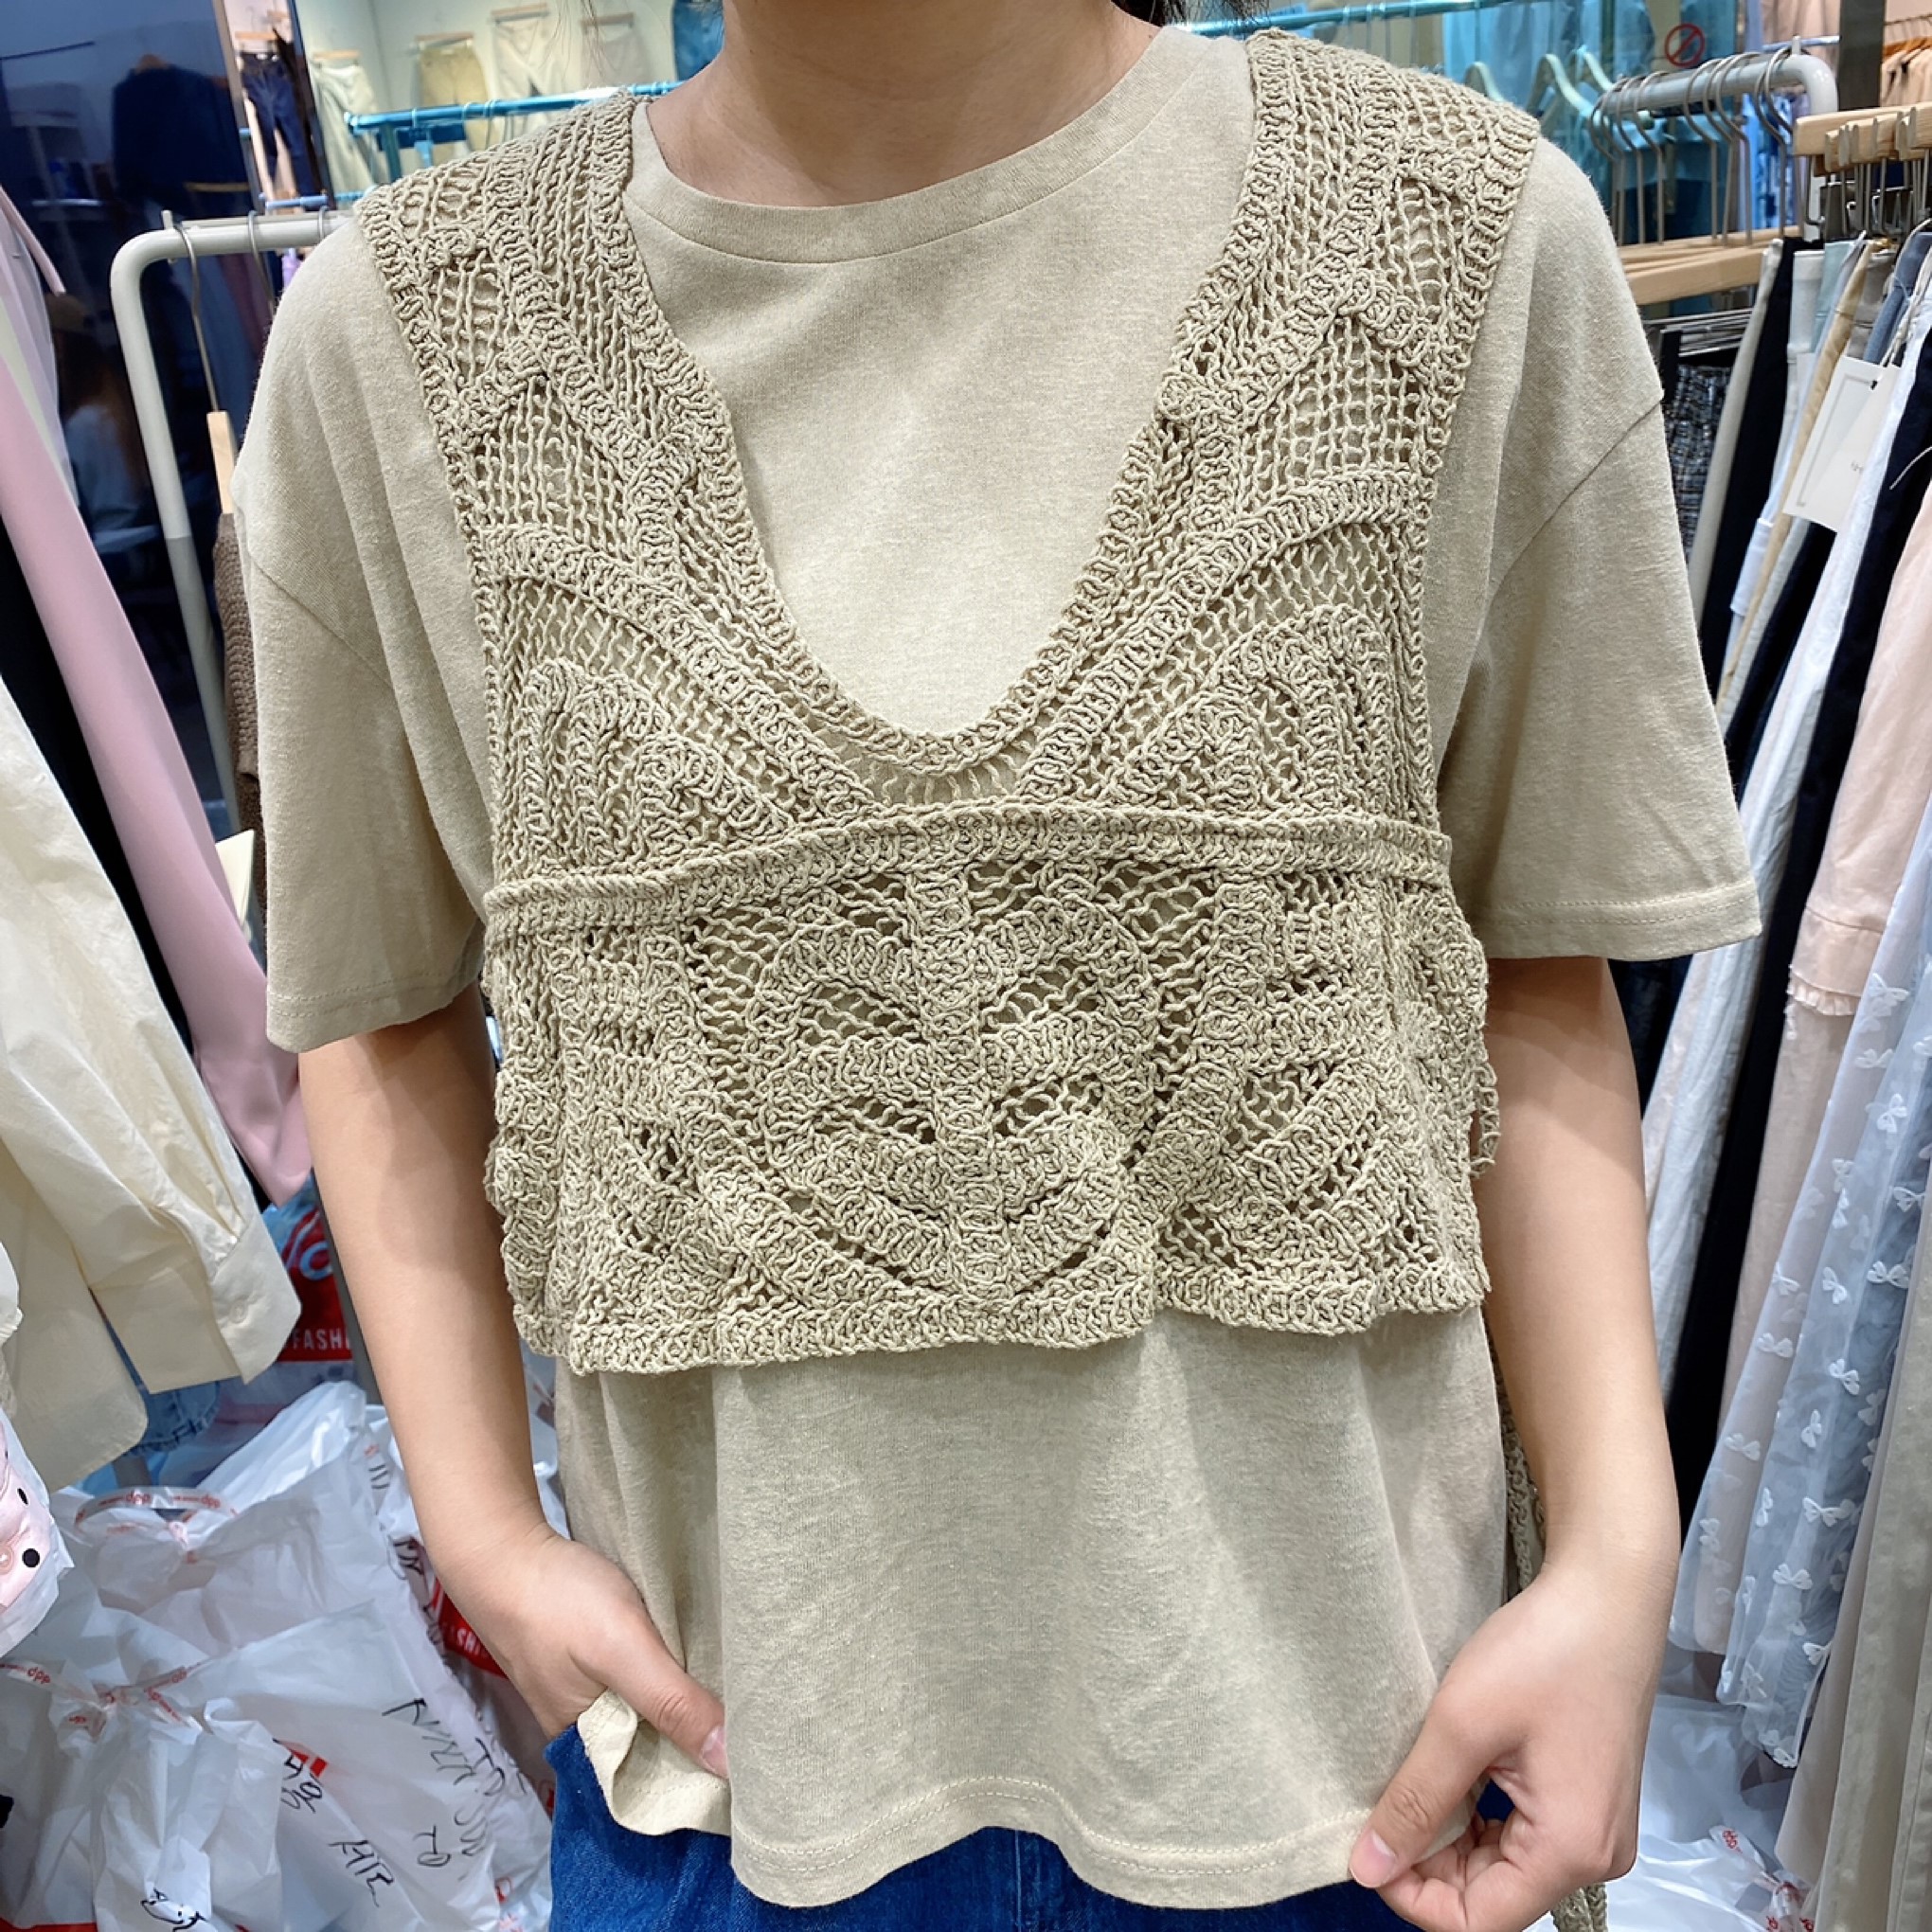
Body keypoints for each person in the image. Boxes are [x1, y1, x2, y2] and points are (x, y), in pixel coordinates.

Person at [236, 2, 1759, 1926]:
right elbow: (375, 1010)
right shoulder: (399, 341)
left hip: (1354, 1779)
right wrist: (478, 1529)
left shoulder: (1457, 239)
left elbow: (1536, 971)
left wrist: (1619, 1555)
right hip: (742, 1784)